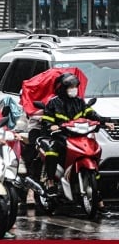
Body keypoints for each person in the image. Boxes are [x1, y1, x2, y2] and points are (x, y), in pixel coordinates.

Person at [41, 72, 114, 213]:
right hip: (61, 136)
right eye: (70, 87)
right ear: (62, 88)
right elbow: (47, 120)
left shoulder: (79, 102)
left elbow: (92, 114)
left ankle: (96, 194)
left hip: (80, 136)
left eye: (75, 86)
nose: (73, 89)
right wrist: (52, 126)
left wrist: (105, 122)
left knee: (94, 152)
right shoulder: (53, 103)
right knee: (52, 150)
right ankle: (50, 182)